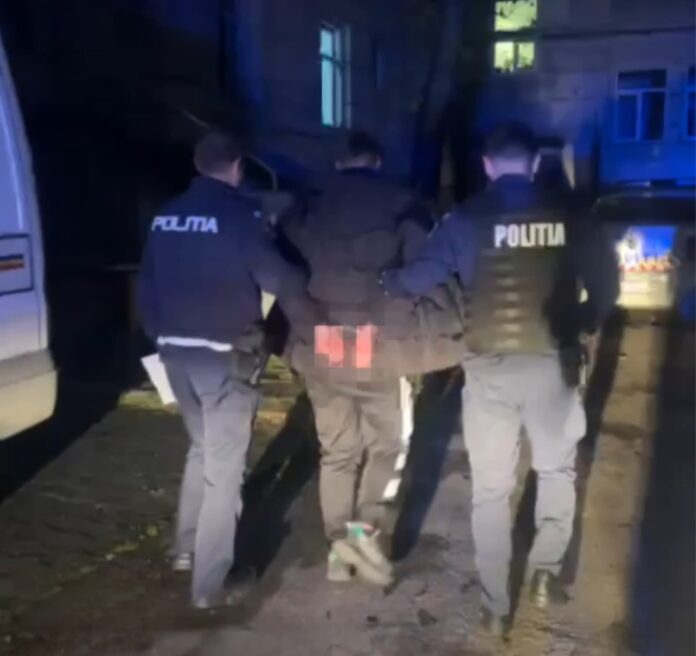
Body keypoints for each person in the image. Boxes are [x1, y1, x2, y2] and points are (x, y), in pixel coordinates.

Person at [381, 122, 619, 638]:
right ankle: (545, 575)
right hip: (552, 363)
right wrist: (582, 323)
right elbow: (607, 286)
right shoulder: (571, 215)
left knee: (490, 489)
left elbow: (417, 279)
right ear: (534, 164)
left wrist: (383, 280)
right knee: (556, 470)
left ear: (487, 166)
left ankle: (494, 604)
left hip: (488, 367)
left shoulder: (464, 219)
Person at [137, 131, 316, 609]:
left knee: (202, 448)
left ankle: (185, 549)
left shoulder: (166, 215)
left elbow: (146, 287)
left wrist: (162, 338)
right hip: (225, 357)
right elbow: (283, 280)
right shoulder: (240, 217)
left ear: (198, 166)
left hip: (176, 354)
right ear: (236, 167)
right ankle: (210, 584)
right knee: (225, 468)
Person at [281, 131, 447, 586]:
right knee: (387, 444)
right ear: (376, 161)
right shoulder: (402, 205)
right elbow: (426, 271)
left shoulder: (305, 209)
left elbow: (285, 272)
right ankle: (363, 531)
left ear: (338, 163)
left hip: (322, 346)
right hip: (376, 346)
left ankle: (339, 549)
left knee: (337, 451)